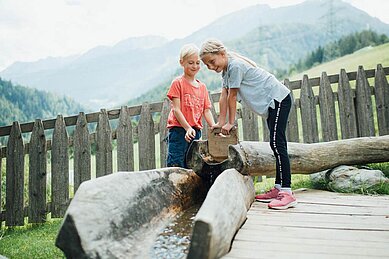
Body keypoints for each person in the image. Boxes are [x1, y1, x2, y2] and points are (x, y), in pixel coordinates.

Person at [199, 39, 297, 210]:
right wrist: (220, 123)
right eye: (207, 65)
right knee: (275, 145)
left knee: (278, 144)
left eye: (212, 62)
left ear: (222, 54)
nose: (211, 67)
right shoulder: (227, 71)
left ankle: (287, 193)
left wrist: (230, 122)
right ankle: (279, 188)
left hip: (279, 99)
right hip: (272, 103)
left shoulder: (235, 66)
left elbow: (232, 96)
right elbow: (224, 96)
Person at [166, 43, 216, 168]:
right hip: (179, 131)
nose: (195, 66)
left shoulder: (202, 87)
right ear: (182, 62)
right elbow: (176, 110)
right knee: (176, 166)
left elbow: (206, 111)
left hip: (195, 132)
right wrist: (187, 128)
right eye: (190, 62)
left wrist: (214, 127)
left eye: (197, 63)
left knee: (194, 166)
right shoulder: (178, 83)